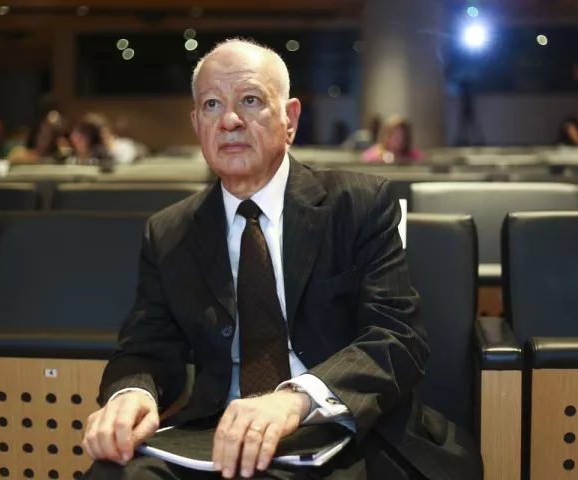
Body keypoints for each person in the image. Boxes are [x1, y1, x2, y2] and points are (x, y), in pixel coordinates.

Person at [82, 39, 482, 480]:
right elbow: (145, 347)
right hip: (221, 431)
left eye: (250, 101)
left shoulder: (360, 203)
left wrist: (296, 399)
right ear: (197, 124)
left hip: (342, 428)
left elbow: (397, 337)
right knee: (111, 474)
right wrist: (131, 394)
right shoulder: (169, 231)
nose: (230, 120)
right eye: (212, 105)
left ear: (289, 119)